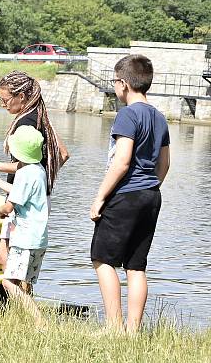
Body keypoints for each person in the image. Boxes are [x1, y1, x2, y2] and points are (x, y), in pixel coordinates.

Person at [90, 54, 170, 333]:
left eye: (114, 82)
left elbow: (121, 161)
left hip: (126, 194)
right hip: (151, 196)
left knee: (102, 259)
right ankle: (133, 331)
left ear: (123, 83)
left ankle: (114, 327)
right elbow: (165, 164)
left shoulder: (127, 114)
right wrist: (150, 186)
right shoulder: (159, 117)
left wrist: (100, 197)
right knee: (136, 266)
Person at [0, 70, 69, 272]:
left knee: (10, 258)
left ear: (21, 97)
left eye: (5, 100)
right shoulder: (40, 116)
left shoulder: (26, 123)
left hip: (22, 200)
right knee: (10, 257)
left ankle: (22, 301)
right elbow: (63, 154)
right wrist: (43, 178)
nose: (3, 104)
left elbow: (29, 165)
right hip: (34, 198)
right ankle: (19, 300)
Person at [0, 125, 49, 326]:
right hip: (39, 239)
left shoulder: (23, 173)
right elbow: (19, 192)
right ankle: (24, 320)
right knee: (23, 282)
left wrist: (1, 210)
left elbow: (10, 206)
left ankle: (40, 322)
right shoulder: (38, 170)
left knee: (9, 282)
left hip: (24, 238)